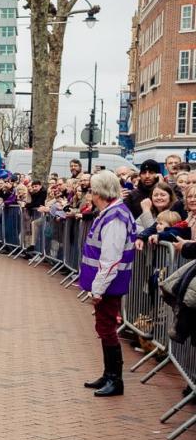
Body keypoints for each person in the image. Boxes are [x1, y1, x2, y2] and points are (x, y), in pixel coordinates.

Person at [79, 170, 136, 397]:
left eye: (93, 190)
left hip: (109, 284)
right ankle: (108, 374)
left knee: (107, 329)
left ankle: (115, 379)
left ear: (99, 192)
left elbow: (111, 258)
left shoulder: (115, 217)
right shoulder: (112, 213)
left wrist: (98, 288)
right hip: (107, 283)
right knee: (104, 328)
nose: (90, 195)